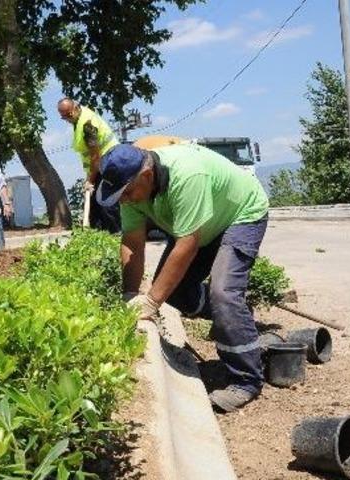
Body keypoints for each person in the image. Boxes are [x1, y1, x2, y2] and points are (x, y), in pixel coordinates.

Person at [96, 142, 270, 413]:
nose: (125, 200)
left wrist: (151, 302)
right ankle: (236, 317)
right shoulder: (132, 191)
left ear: (146, 175)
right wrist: (129, 296)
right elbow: (132, 243)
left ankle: (246, 380)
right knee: (175, 293)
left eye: (127, 193)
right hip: (204, 226)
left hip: (240, 214)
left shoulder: (187, 176)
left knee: (223, 294)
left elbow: (187, 244)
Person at [57, 97, 120, 233]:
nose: (67, 119)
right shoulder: (78, 119)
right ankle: (97, 235)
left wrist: (90, 181)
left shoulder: (87, 125)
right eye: (64, 117)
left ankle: (116, 235)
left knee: (106, 205)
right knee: (94, 207)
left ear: (75, 107)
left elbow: (95, 156)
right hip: (99, 166)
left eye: (69, 115)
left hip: (108, 163)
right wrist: (89, 177)